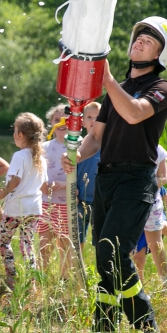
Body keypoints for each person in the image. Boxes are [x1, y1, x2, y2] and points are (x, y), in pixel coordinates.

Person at [63, 16, 167, 333]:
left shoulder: (160, 89)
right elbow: (96, 137)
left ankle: (146, 328)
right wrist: (76, 155)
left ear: (160, 55)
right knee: (104, 257)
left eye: (149, 41)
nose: (139, 42)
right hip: (106, 179)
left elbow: (133, 112)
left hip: (136, 179)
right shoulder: (120, 90)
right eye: (138, 37)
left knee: (111, 252)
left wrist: (107, 80)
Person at [0, 112, 47, 290]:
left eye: (15, 131)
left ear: (20, 135)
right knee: (27, 244)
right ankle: (31, 282)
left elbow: (14, 182)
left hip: (16, 209)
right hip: (34, 209)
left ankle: (12, 277)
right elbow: (44, 186)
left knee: (3, 241)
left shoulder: (19, 156)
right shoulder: (40, 158)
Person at [38, 104, 75, 278]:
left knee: (65, 245)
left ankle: (64, 279)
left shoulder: (77, 146)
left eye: (66, 119)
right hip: (45, 201)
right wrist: (41, 184)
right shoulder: (43, 147)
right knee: (44, 243)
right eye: (56, 119)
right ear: (50, 123)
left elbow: (82, 176)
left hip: (66, 203)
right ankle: (41, 277)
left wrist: (63, 183)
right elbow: (35, 171)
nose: (61, 122)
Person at [133, 144, 167, 284]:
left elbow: (164, 177)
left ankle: (165, 283)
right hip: (130, 205)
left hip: (152, 204)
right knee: (135, 252)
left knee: (156, 245)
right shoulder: (128, 147)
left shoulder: (159, 150)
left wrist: (146, 183)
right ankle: (137, 286)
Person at [76, 101, 101, 246]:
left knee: (100, 240)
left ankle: (102, 267)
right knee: (77, 238)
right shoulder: (78, 145)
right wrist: (73, 191)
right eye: (90, 117)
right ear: (83, 121)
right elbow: (71, 171)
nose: (94, 121)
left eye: (98, 117)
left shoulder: (108, 144)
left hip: (101, 200)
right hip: (81, 199)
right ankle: (78, 267)